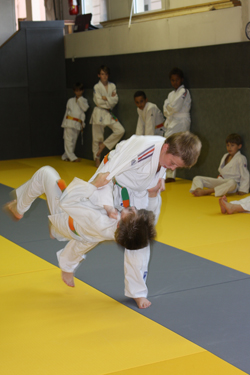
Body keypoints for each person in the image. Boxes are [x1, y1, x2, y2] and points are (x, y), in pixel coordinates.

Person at [3, 166, 158, 309]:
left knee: (45, 173)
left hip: (65, 218)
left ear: (121, 223)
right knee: (84, 242)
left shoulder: (99, 220)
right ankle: (66, 265)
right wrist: (152, 196)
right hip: (81, 231)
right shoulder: (121, 229)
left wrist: (95, 185)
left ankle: (19, 208)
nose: (132, 207)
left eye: (131, 210)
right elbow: (144, 220)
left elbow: (68, 202)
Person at [88, 131, 202, 308]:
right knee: (85, 224)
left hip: (141, 190)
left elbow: (163, 165)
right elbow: (106, 173)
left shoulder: (167, 152)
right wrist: (99, 197)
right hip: (115, 185)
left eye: (176, 167)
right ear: (165, 148)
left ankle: (137, 292)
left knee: (140, 238)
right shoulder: (141, 149)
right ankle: (62, 238)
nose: (172, 168)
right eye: (172, 163)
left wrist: (159, 179)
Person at [90, 65, 125, 168]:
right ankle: (97, 158)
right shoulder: (97, 87)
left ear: (108, 75)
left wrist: (106, 98)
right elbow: (98, 101)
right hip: (99, 112)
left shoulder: (112, 86)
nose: (104, 76)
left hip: (109, 113)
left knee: (120, 130)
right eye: (102, 74)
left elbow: (116, 100)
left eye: (106, 74)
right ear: (98, 75)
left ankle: (104, 145)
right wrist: (109, 99)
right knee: (97, 138)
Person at [163, 68, 191, 182]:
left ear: (181, 80)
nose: (175, 82)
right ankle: (168, 174)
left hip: (181, 121)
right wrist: (170, 108)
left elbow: (175, 107)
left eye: (177, 80)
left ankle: (170, 174)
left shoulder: (184, 91)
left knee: (173, 146)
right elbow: (165, 109)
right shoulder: (171, 94)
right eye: (173, 80)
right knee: (168, 146)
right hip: (173, 120)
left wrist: (170, 108)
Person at [61, 82, 89, 162]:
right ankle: (72, 157)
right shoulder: (70, 101)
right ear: (74, 91)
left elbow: (85, 109)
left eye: (80, 90)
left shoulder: (84, 100)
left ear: (82, 91)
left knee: (73, 141)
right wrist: (64, 123)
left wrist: (83, 123)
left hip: (77, 123)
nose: (78, 92)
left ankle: (66, 156)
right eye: (76, 91)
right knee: (69, 140)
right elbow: (67, 112)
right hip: (69, 122)